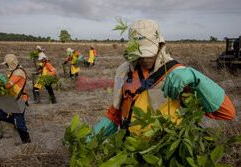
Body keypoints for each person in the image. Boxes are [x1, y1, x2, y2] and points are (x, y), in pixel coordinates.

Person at [88, 19, 236, 140]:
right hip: (130, 152)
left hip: (166, 154)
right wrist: (92, 139)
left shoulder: (178, 74)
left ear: (160, 45)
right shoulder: (124, 72)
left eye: (148, 53)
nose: (144, 59)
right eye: (139, 54)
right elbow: (115, 113)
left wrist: (197, 80)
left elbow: (227, 113)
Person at [0, 54, 31, 143]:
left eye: (7, 64)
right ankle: (15, 121)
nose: (6, 66)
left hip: (20, 100)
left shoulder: (18, 72)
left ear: (10, 63)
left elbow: (8, 85)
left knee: (20, 125)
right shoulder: (15, 70)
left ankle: (27, 143)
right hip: (13, 99)